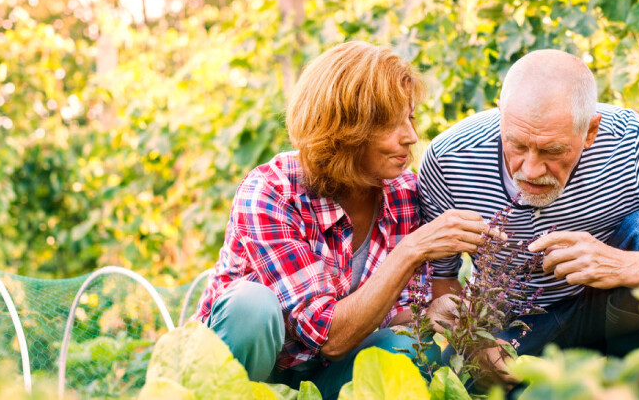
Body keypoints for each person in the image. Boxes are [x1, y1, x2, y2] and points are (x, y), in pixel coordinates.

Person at [420, 49, 639, 385]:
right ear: (501, 115)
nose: (530, 168)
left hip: (615, 313)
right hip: (515, 331)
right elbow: (442, 283)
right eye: (516, 144)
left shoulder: (638, 144)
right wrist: (474, 343)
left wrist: (617, 266)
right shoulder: (449, 159)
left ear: (590, 131)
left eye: (552, 151)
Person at [192, 41, 491, 398]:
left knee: (409, 347)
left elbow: (386, 318)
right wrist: (412, 249)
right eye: (390, 124)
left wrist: (428, 314)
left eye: (409, 118)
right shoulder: (272, 193)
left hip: (326, 376)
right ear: (344, 129)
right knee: (251, 305)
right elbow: (328, 336)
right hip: (249, 375)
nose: (410, 137)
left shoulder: (405, 195)